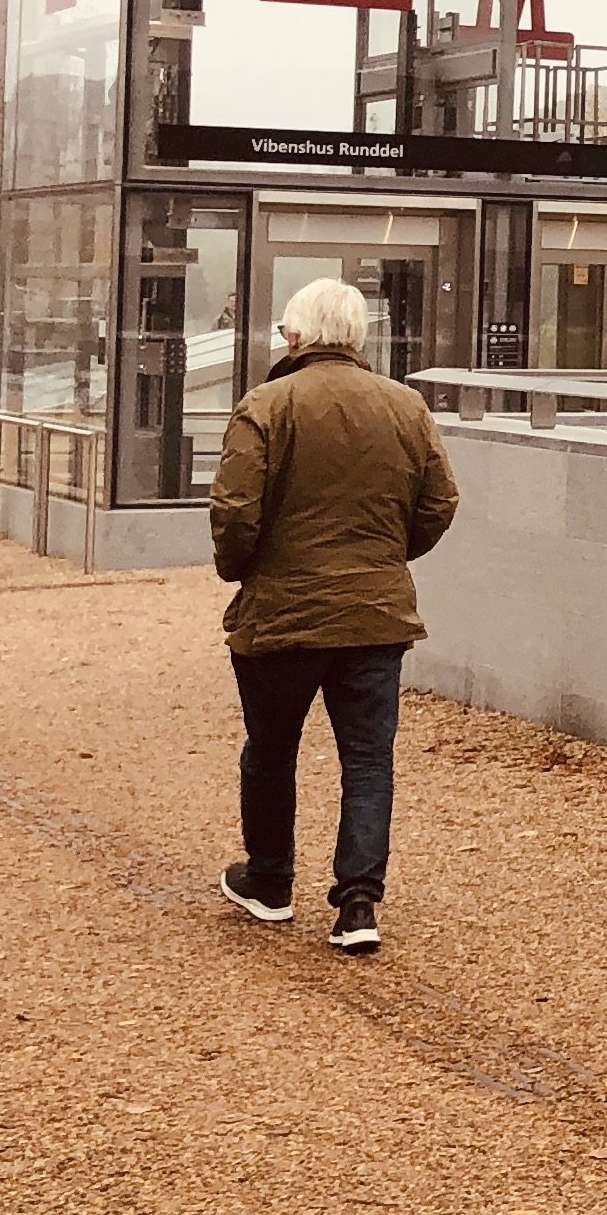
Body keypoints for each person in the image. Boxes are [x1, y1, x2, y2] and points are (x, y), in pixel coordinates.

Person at [209, 277, 458, 954]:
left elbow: (235, 509)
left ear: (295, 336)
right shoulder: (404, 406)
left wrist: (242, 568)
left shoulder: (266, 405)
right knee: (368, 761)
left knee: (270, 752)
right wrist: (387, 555)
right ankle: (358, 903)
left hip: (281, 612)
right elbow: (440, 500)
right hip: (375, 615)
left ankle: (270, 881)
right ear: (356, 336)